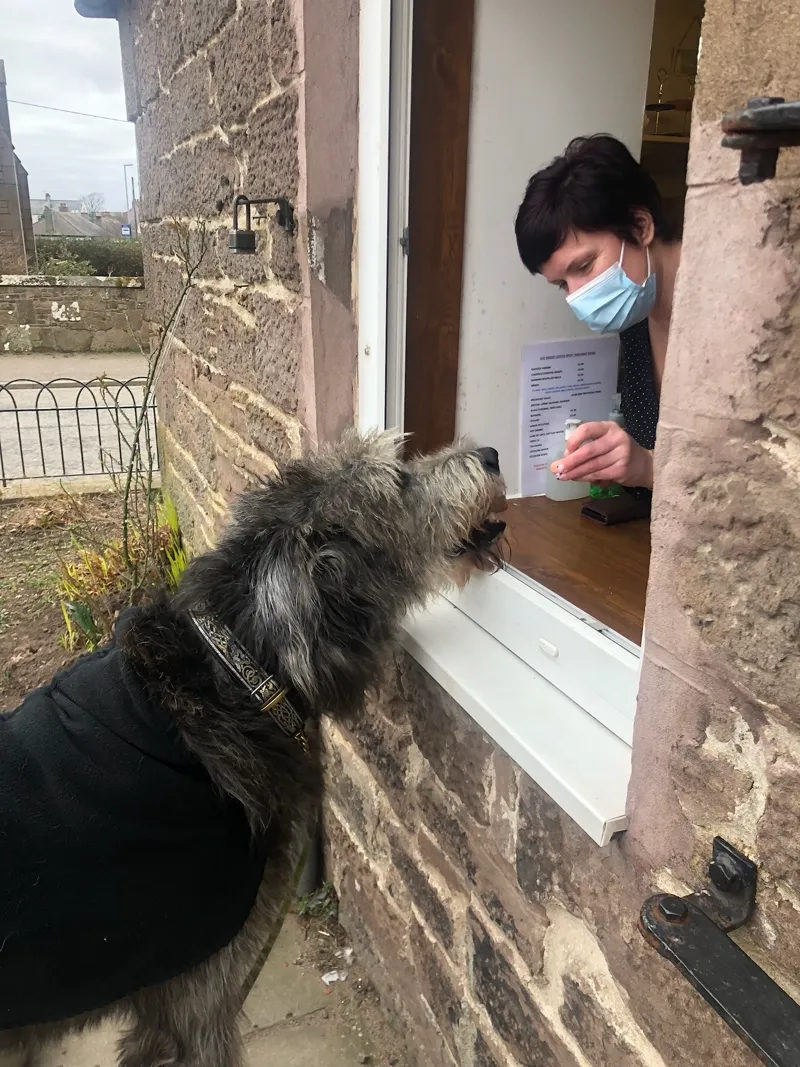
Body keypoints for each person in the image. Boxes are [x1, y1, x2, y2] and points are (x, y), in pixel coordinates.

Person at [515, 134, 682, 492]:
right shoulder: (637, 321)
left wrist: (649, 468)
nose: (577, 296)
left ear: (640, 227)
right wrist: (634, 461)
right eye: (562, 285)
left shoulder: (732, 315)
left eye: (586, 265)